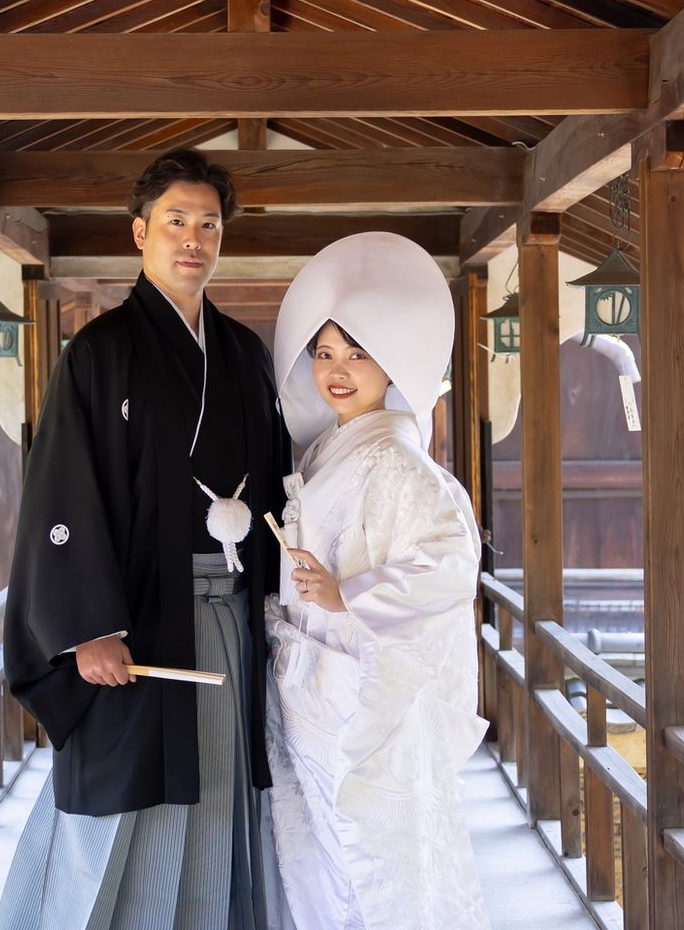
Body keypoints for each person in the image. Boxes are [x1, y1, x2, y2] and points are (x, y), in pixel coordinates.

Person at [0, 148, 290, 930]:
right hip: (135, 622)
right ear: (139, 232)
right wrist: (87, 628)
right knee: (123, 809)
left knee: (219, 797)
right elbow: (61, 491)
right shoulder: (100, 352)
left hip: (226, 620)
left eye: (209, 225)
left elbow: (277, 486)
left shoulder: (243, 353)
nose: (193, 239)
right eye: (175, 222)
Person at [263, 232, 490, 930]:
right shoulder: (332, 447)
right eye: (324, 353)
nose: (337, 371)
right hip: (318, 681)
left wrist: (349, 594)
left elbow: (451, 560)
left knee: (370, 857)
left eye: (357, 354)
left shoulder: (393, 455)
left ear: (389, 362)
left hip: (361, 692)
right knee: (321, 858)